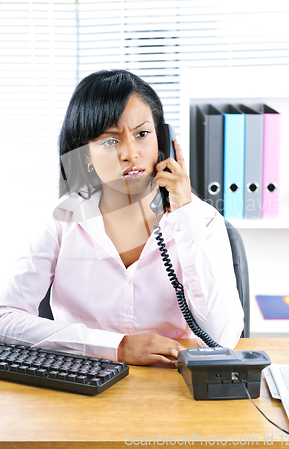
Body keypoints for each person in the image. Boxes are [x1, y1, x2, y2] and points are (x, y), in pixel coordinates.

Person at [0, 69, 244, 367]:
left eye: (142, 134)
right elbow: (5, 318)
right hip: (80, 382)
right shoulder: (64, 219)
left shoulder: (202, 221)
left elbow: (223, 336)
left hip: (171, 387)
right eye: (110, 141)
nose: (130, 153)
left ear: (163, 141)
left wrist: (184, 213)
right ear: (85, 156)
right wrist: (113, 347)